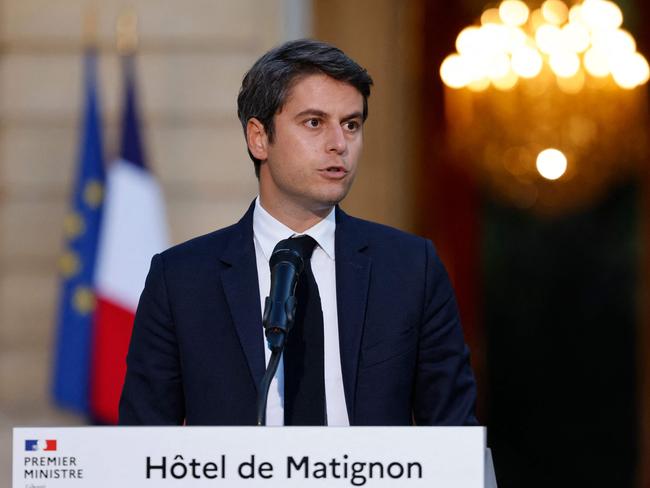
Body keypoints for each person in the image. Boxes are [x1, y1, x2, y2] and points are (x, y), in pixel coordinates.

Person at [119, 39, 477, 426]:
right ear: (259, 138)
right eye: (314, 123)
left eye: (351, 125)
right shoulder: (181, 280)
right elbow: (143, 442)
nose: (339, 144)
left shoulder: (410, 269)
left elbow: (452, 434)